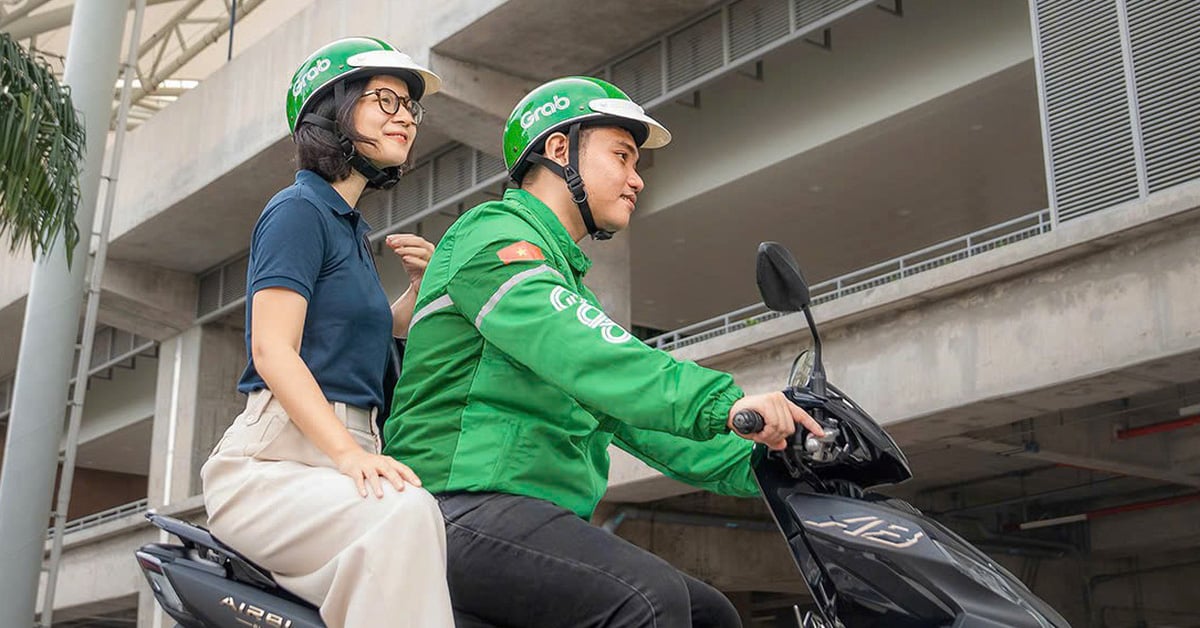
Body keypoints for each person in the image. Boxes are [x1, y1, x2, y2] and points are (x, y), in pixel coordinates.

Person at [382, 76, 825, 627]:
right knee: (649, 598)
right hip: (454, 506)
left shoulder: (566, 288)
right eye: (623, 156)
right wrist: (723, 401)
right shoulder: (491, 236)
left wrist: (774, 457)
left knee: (711, 614)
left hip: (525, 517)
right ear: (560, 149)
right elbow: (586, 353)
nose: (637, 179)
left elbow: (636, 416)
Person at [200, 37, 453, 628]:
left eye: (410, 108)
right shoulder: (298, 211)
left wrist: (417, 292)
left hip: (349, 456)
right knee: (409, 513)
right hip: (276, 463)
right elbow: (271, 347)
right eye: (386, 100)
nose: (406, 118)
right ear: (330, 113)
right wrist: (345, 454)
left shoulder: (349, 230)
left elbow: (360, 337)